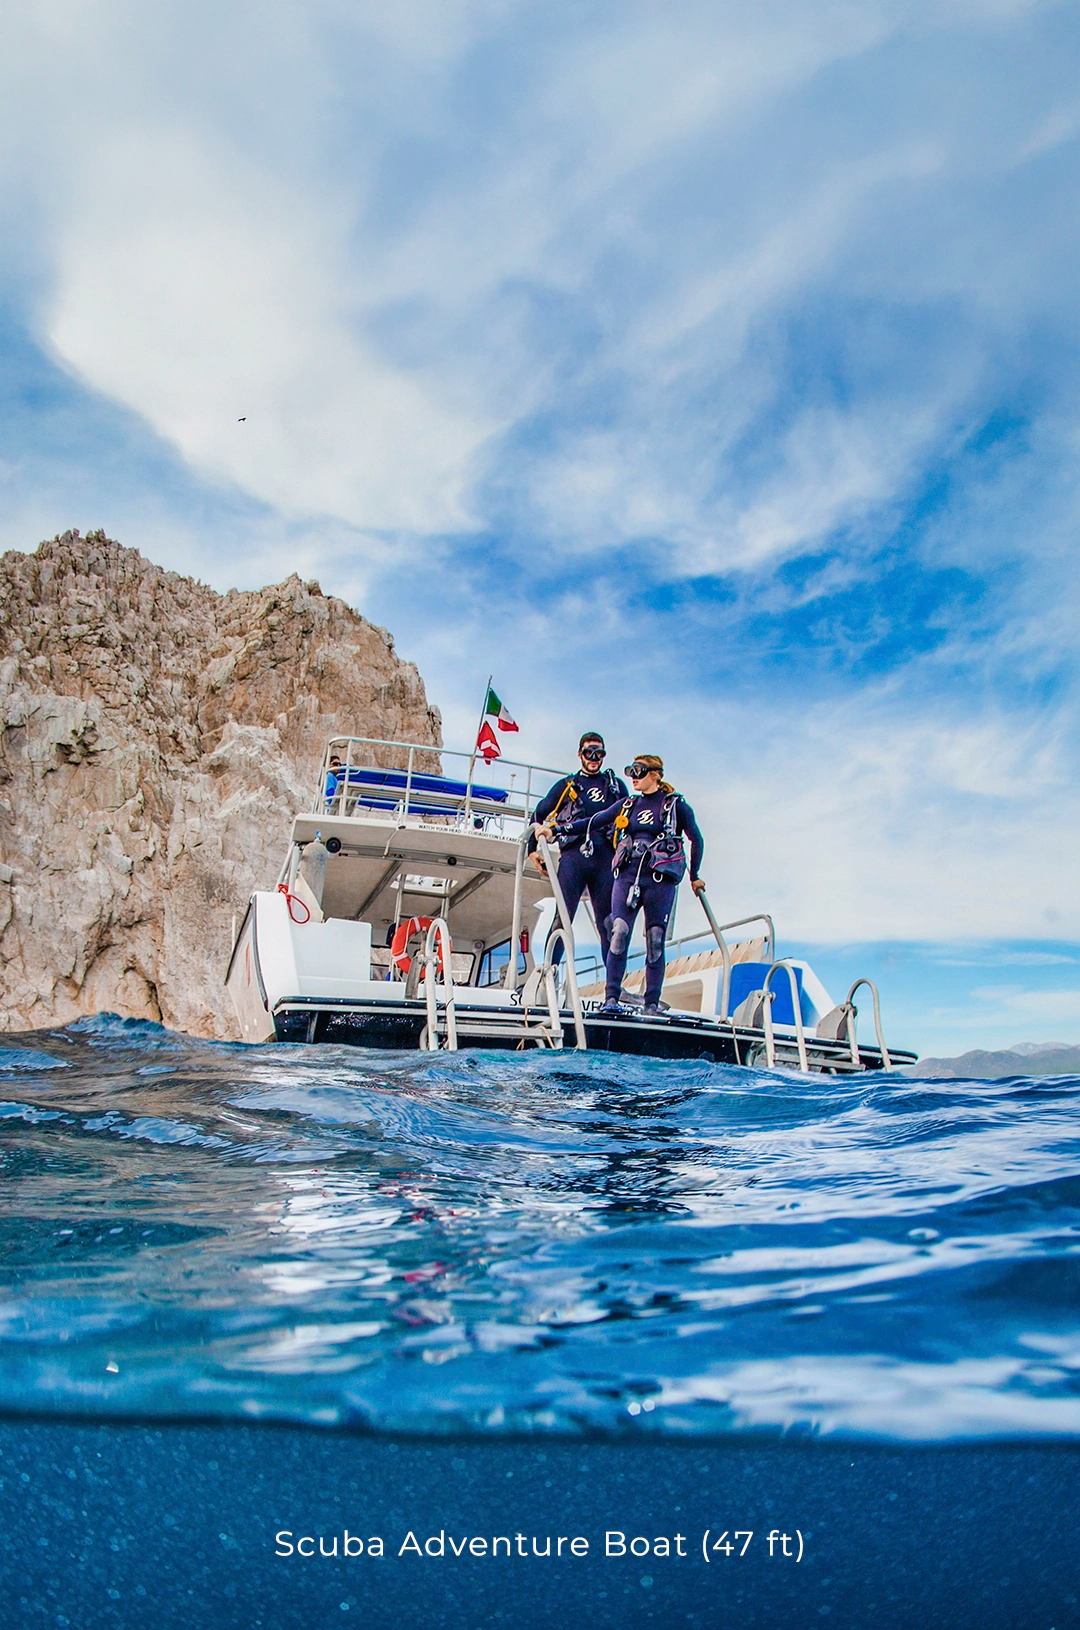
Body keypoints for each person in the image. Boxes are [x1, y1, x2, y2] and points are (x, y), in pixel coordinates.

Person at [560, 753, 705, 1017]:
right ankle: (611, 998)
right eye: (631, 772)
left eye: (639, 772)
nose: (634, 778)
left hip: (659, 881)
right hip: (627, 877)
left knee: (655, 941)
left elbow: (696, 838)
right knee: (618, 932)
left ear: (655, 774)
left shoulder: (676, 806)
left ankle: (651, 1003)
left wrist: (694, 876)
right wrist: (558, 830)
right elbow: (596, 820)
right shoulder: (628, 804)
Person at [529, 733, 629, 966]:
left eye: (599, 753)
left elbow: (631, 819)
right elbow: (539, 814)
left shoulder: (615, 787)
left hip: (605, 858)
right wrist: (532, 850)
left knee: (608, 923)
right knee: (562, 918)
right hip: (574, 858)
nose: (594, 758)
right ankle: (548, 975)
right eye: (588, 753)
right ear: (579, 754)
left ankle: (613, 989)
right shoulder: (566, 786)